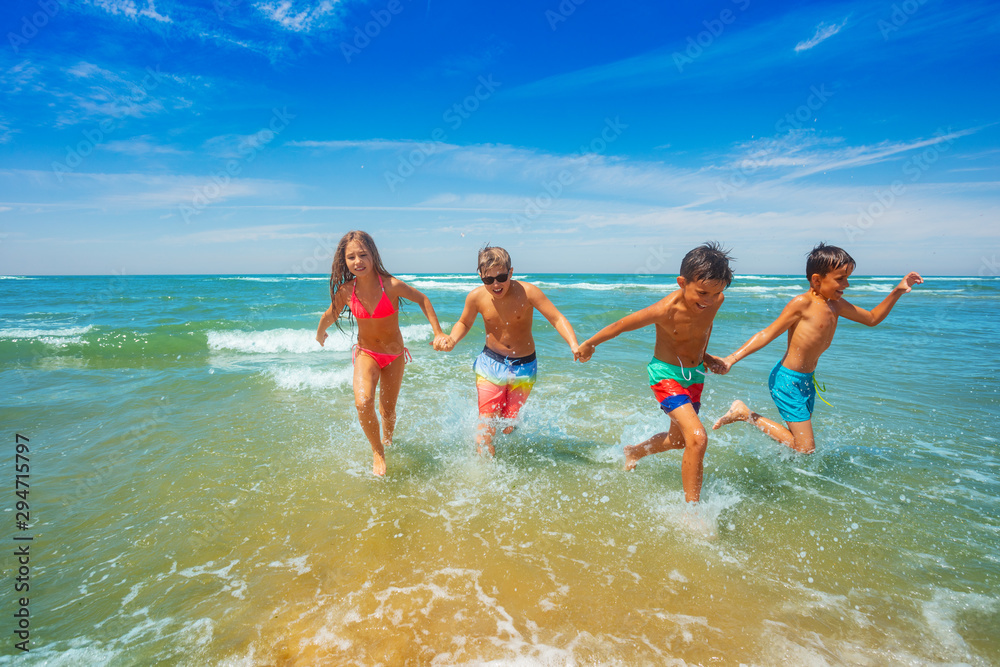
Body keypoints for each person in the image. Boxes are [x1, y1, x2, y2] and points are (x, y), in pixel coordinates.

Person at [712, 243, 923, 453]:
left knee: (797, 445)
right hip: (787, 381)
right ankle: (745, 414)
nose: (847, 284)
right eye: (840, 279)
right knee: (805, 448)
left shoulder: (837, 304)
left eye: (848, 278)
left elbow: (872, 318)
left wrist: (898, 290)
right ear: (816, 280)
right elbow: (767, 333)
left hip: (806, 381)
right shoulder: (802, 303)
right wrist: (731, 358)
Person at [575, 243, 733, 504]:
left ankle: (634, 451)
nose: (708, 300)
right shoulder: (665, 310)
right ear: (682, 282)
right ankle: (692, 511)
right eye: (702, 293)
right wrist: (590, 343)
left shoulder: (716, 299)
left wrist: (705, 356)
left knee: (678, 441)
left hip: (694, 376)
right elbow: (620, 325)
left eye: (715, 294)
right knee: (697, 437)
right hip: (666, 375)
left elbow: (706, 326)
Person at [316, 230, 449, 476]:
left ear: (373, 255)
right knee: (362, 402)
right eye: (351, 257)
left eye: (363, 255)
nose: (358, 261)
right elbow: (330, 313)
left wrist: (438, 332)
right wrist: (319, 332)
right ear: (344, 262)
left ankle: (388, 440)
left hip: (394, 356)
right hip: (366, 353)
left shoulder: (391, 285)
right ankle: (378, 451)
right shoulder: (346, 291)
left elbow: (422, 299)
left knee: (387, 411)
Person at [436, 246, 580, 456]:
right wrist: (452, 339)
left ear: (511, 272)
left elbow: (556, 318)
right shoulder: (476, 297)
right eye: (488, 280)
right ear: (481, 276)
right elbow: (464, 323)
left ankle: (504, 448)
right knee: (487, 421)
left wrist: (573, 344)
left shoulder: (528, 292)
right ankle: (485, 464)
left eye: (501, 277)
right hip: (490, 364)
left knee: (509, 421)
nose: (496, 284)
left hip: (525, 367)